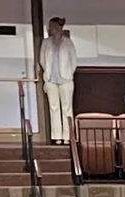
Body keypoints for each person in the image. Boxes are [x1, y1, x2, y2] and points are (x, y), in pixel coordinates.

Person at [38, 16, 77, 145]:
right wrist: (47, 75)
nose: (50, 29)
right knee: (53, 108)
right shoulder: (46, 43)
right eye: (49, 27)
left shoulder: (68, 42)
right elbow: (42, 61)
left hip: (66, 79)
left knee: (67, 108)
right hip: (50, 79)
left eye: (53, 27)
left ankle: (68, 136)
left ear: (59, 28)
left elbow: (73, 62)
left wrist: (68, 74)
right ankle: (57, 136)